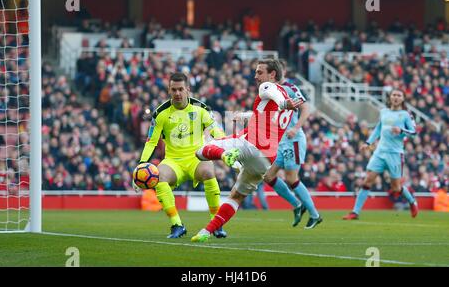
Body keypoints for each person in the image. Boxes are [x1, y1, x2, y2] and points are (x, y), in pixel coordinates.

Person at [190, 59, 303, 242]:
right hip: (266, 159)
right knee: (237, 196)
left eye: (259, 72)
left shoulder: (269, 87)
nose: (255, 76)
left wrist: (283, 103)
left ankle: (227, 156)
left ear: (272, 74)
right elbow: (267, 116)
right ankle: (205, 232)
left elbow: (273, 93)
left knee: (201, 151)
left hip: (251, 143)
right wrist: (245, 115)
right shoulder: (286, 107)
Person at [134, 72, 228, 239]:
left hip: (196, 157)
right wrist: (142, 163)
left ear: (188, 90)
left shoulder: (201, 109)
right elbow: (151, 141)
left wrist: (226, 145)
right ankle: (177, 225)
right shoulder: (160, 113)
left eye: (180, 89)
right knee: (159, 176)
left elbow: (216, 130)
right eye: (174, 90)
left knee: (208, 171)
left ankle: (216, 224)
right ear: (169, 90)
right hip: (173, 161)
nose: (177, 93)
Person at [262, 61, 322, 229]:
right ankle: (297, 205)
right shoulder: (270, 92)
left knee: (291, 178)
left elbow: (306, 107)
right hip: (281, 141)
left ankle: (315, 215)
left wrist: (296, 128)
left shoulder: (290, 88)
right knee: (268, 176)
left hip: (293, 140)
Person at [343, 89, 419, 220]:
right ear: (390, 97)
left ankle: (412, 201)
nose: (396, 97)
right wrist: (368, 143)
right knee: (367, 180)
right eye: (394, 95)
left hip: (395, 154)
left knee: (396, 188)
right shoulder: (384, 112)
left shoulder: (406, 114)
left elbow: (413, 133)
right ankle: (355, 212)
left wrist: (401, 130)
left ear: (403, 99)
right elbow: (378, 129)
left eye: (399, 95)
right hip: (379, 152)